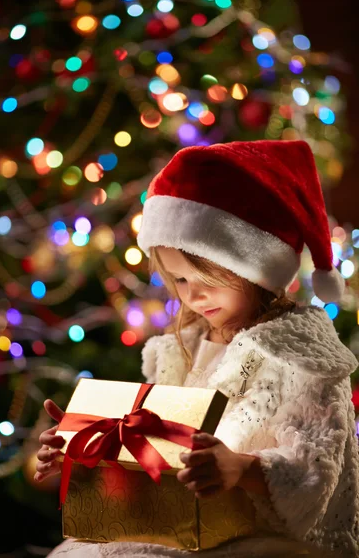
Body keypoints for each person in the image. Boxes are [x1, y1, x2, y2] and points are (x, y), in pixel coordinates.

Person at [35, 141, 359, 558]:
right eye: (180, 281)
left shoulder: (303, 356)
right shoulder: (180, 348)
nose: (195, 295)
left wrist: (240, 468)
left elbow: (318, 470)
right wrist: (86, 446)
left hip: (263, 538)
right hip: (187, 526)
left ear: (254, 263)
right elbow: (159, 448)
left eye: (208, 275)